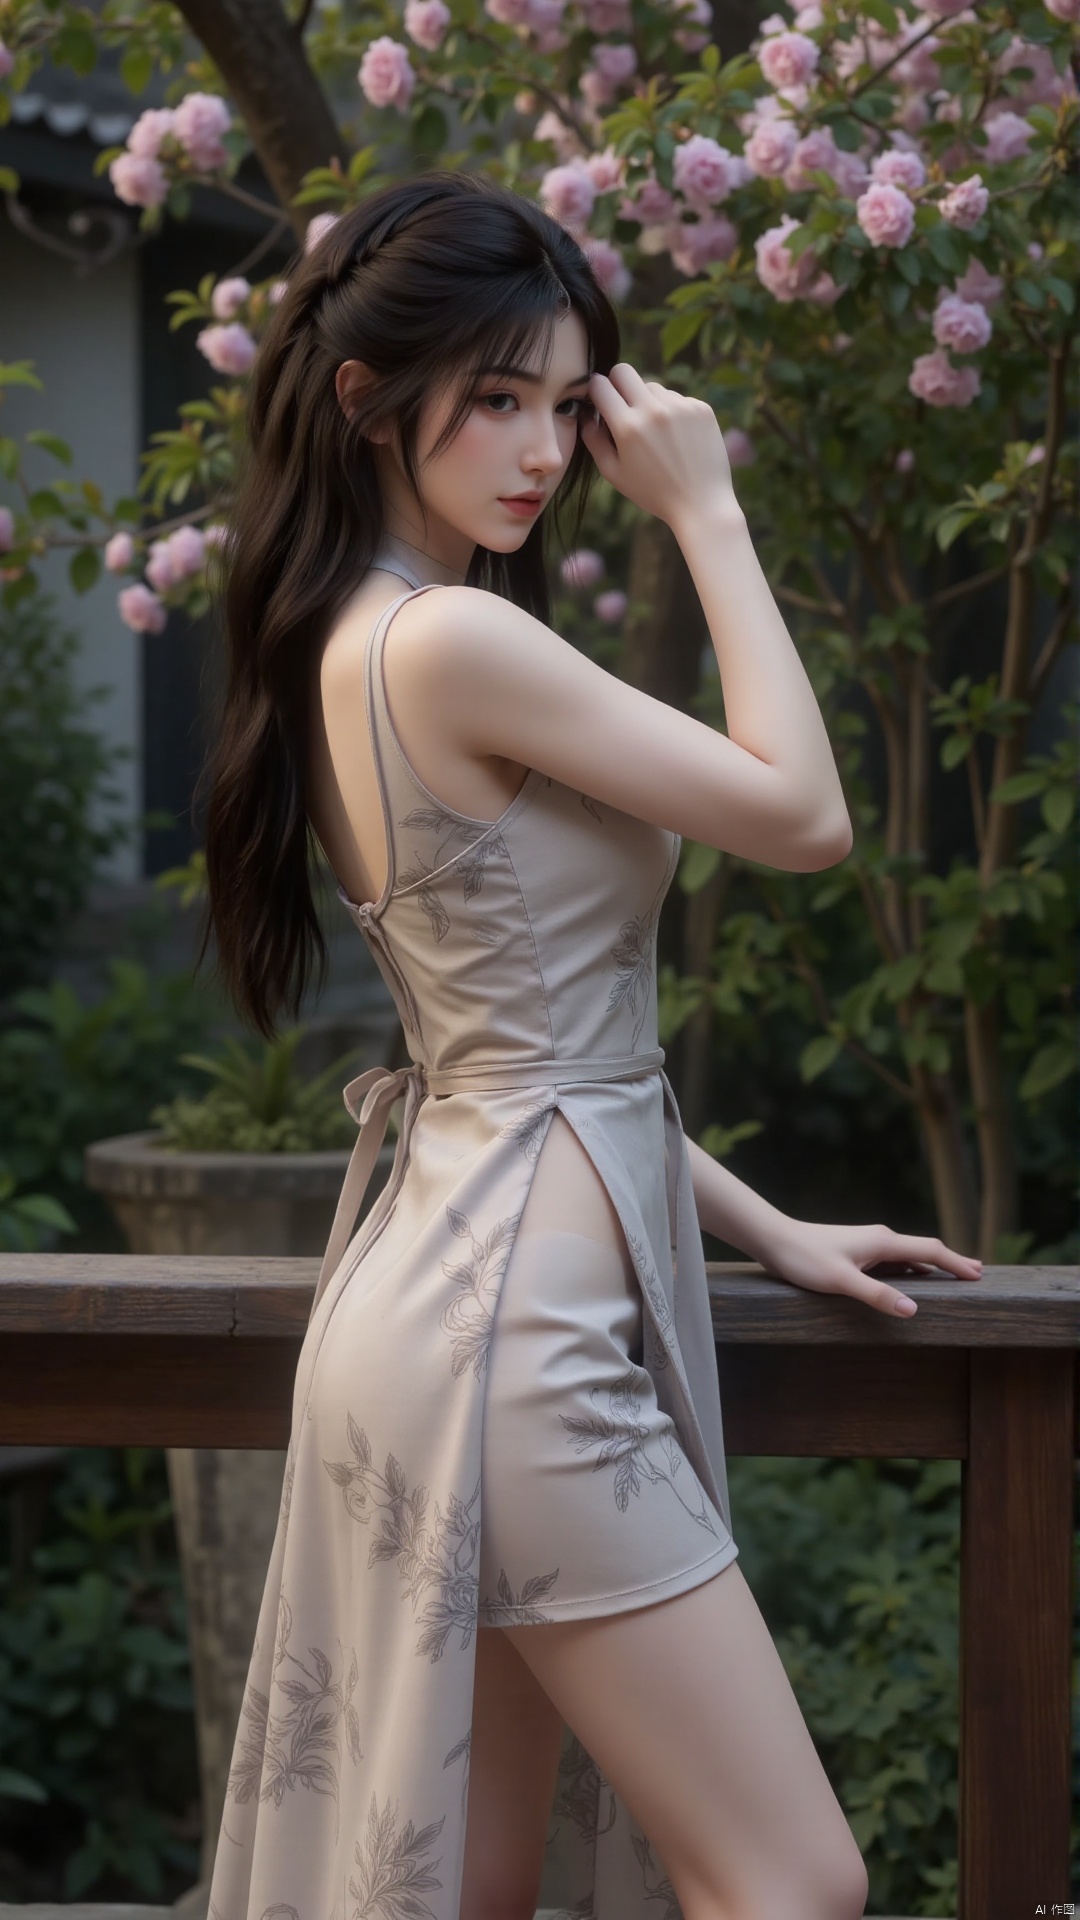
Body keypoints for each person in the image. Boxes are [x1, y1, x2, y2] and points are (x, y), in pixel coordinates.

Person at [199, 170, 980, 1920]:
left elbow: (529, 1045)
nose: (543, 449)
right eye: (495, 398)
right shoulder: (451, 637)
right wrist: (708, 515)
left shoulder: (343, 639)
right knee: (793, 1879)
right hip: (518, 1358)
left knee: (473, 1895)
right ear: (364, 399)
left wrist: (767, 1227)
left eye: (565, 404)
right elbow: (803, 813)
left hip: (442, 1320)